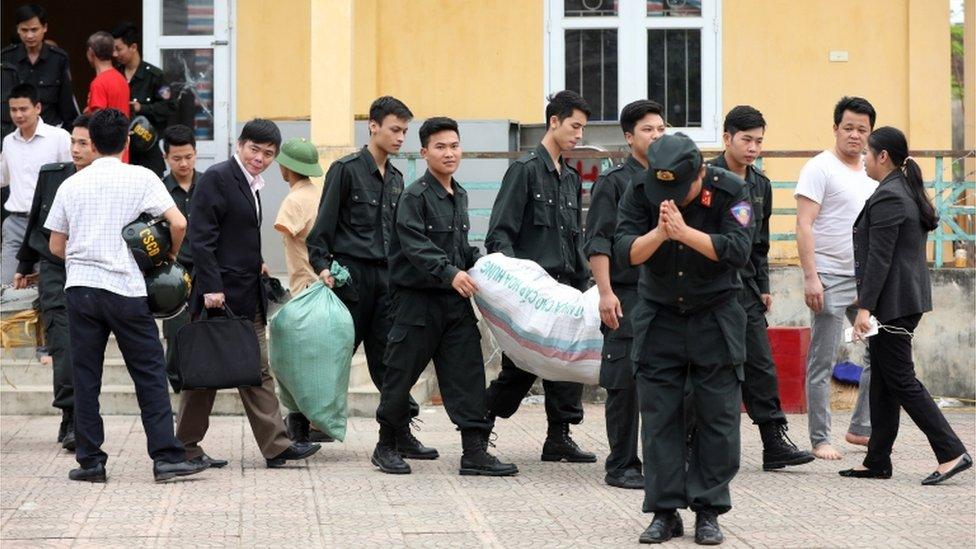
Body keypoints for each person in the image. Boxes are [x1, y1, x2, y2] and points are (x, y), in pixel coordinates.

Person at [43, 108, 206, 483]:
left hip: (81, 290)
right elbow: (178, 222)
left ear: (93, 143)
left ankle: (91, 462)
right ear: (127, 142)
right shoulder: (142, 177)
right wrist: (167, 258)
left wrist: (86, 256)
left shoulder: (71, 184)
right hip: (127, 289)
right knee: (148, 374)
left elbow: (55, 245)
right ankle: (166, 457)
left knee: (86, 378)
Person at [615, 133, 752, 545]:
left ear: (701, 173)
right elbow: (624, 250)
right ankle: (663, 511)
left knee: (718, 418)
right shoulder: (640, 190)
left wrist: (684, 232)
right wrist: (659, 234)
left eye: (681, 188)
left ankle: (708, 511)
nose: (670, 196)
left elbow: (738, 251)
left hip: (715, 317)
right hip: (660, 317)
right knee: (659, 418)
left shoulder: (732, 189)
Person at [372, 117, 518, 477]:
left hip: (453, 303)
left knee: (467, 374)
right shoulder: (414, 197)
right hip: (416, 303)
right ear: (424, 153)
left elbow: (457, 248)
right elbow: (416, 246)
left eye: (454, 146)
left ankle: (474, 452)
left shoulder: (460, 194)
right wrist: (451, 272)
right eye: (440, 147)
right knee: (400, 375)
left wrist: (485, 266)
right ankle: (386, 444)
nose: (449, 153)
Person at [176, 119, 321, 469]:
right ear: (240, 145)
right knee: (203, 375)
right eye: (254, 150)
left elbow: (235, 234)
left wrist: (257, 262)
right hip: (220, 296)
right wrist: (211, 287)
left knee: (256, 368)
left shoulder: (250, 183)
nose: (260, 158)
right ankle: (184, 446)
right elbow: (202, 237)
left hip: (246, 292)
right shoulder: (217, 177)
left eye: (268, 154)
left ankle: (276, 446)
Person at [839, 126, 972, 485]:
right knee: (883, 379)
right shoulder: (897, 190)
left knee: (901, 379)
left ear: (883, 156)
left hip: (893, 303)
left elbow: (880, 258)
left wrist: (864, 310)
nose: (863, 158)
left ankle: (951, 451)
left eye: (868, 152)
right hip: (899, 300)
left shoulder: (890, 197)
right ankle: (877, 460)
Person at [306, 96, 431, 458]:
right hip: (350, 278)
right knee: (331, 357)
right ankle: (299, 425)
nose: (399, 138)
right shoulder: (345, 170)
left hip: (387, 281)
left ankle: (398, 432)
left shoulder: (395, 178)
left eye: (405, 132)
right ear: (372, 126)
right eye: (394, 129)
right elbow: (322, 228)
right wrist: (324, 266)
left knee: (389, 361)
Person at [484, 90, 595, 463]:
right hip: (534, 295)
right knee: (519, 370)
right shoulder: (524, 171)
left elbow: (573, 238)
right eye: (574, 126)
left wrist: (585, 282)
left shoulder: (570, 178)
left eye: (583, 128)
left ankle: (558, 438)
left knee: (567, 366)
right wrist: (517, 291)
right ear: (554, 122)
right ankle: (478, 427)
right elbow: (499, 235)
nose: (579, 135)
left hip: (566, 290)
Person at [707, 106, 815, 471]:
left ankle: (774, 440)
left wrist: (764, 285)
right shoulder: (704, 178)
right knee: (708, 363)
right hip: (706, 287)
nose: (753, 148)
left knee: (760, 364)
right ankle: (692, 441)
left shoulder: (760, 185)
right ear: (727, 139)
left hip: (746, 286)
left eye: (759, 141)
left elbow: (760, 244)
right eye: (746, 140)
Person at [584, 99, 666, 489]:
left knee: (663, 381)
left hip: (663, 295)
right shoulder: (614, 182)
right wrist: (605, 292)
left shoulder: (670, 180)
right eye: (648, 129)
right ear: (629, 137)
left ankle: (661, 461)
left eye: (661, 129)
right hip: (626, 293)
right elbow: (597, 241)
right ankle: (621, 464)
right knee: (624, 383)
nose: (656, 135)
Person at [795, 96, 877, 460]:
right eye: (848, 128)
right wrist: (811, 277)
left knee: (883, 350)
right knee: (823, 361)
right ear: (835, 129)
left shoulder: (872, 172)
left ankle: (861, 429)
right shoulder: (820, 167)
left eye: (862, 130)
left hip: (866, 282)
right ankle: (820, 438)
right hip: (829, 277)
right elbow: (803, 224)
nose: (855, 136)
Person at [13, 114, 95, 452]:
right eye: (72, 142)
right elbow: (35, 219)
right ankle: (71, 415)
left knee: (85, 345)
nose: (74, 149)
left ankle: (82, 415)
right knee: (62, 342)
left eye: (82, 143)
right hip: (53, 268)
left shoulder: (107, 181)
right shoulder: (53, 176)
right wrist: (24, 265)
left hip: (91, 271)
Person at [272, 136, 329, 443]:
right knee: (314, 361)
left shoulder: (294, 201)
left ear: (285, 168)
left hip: (304, 289)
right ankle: (314, 421)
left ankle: (299, 425)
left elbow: (285, 230)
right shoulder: (317, 194)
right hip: (322, 288)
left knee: (292, 362)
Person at [1, 83, 71, 284]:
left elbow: (73, 176)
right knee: (6, 287)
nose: (18, 115)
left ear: (37, 108)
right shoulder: (8, 141)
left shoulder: (59, 137)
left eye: (23, 109)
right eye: (14, 110)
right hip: (15, 223)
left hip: (48, 225)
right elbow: (4, 177)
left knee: (45, 286)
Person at [1, 4, 79, 140]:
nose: (29, 35)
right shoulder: (6, 57)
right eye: (24, 30)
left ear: (44, 28)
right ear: (17, 30)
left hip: (50, 133)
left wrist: (69, 134)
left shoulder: (58, 59)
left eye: (34, 29)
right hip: (15, 135)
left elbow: (66, 103)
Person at [112, 22, 180, 176]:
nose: (115, 54)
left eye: (119, 49)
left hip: (147, 151)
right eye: (113, 50)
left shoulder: (154, 76)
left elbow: (170, 106)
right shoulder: (115, 75)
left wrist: (141, 108)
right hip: (121, 151)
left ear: (133, 47)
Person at [159, 124, 200, 368]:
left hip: (205, 267)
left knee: (206, 328)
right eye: (176, 158)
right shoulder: (158, 189)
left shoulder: (210, 183)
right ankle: (176, 379)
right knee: (176, 329)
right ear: (166, 158)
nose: (184, 164)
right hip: (172, 271)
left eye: (188, 157)